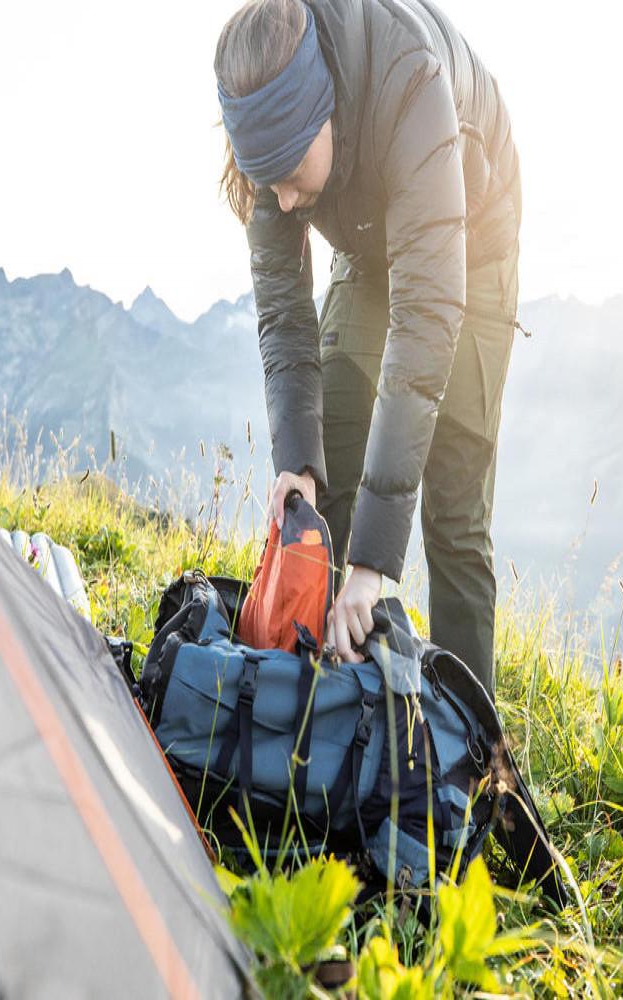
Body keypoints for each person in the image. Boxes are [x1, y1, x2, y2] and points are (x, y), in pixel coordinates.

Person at [214, 0, 521, 695]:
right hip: (369, 235)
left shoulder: (409, 81)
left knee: (455, 510)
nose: (286, 202)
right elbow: (286, 323)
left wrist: (373, 567)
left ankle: (468, 756)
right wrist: (297, 464)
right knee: (334, 449)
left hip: (470, 237)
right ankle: (316, 710)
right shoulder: (272, 153)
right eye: (270, 182)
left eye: (292, 173)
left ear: (325, 110)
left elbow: (422, 329)